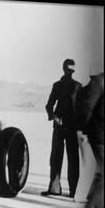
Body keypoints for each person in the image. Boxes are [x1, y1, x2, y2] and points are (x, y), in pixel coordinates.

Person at [42, 59, 81, 198]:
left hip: (66, 126)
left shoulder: (64, 86)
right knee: (63, 158)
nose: (69, 72)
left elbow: (49, 106)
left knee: (67, 158)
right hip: (66, 126)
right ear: (66, 69)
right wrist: (54, 117)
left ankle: (63, 189)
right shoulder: (75, 86)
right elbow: (49, 106)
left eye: (70, 70)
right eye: (69, 69)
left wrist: (54, 117)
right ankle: (71, 190)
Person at [75, 66, 104, 208]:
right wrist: (82, 130)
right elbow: (87, 109)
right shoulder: (99, 82)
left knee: (102, 174)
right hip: (99, 135)